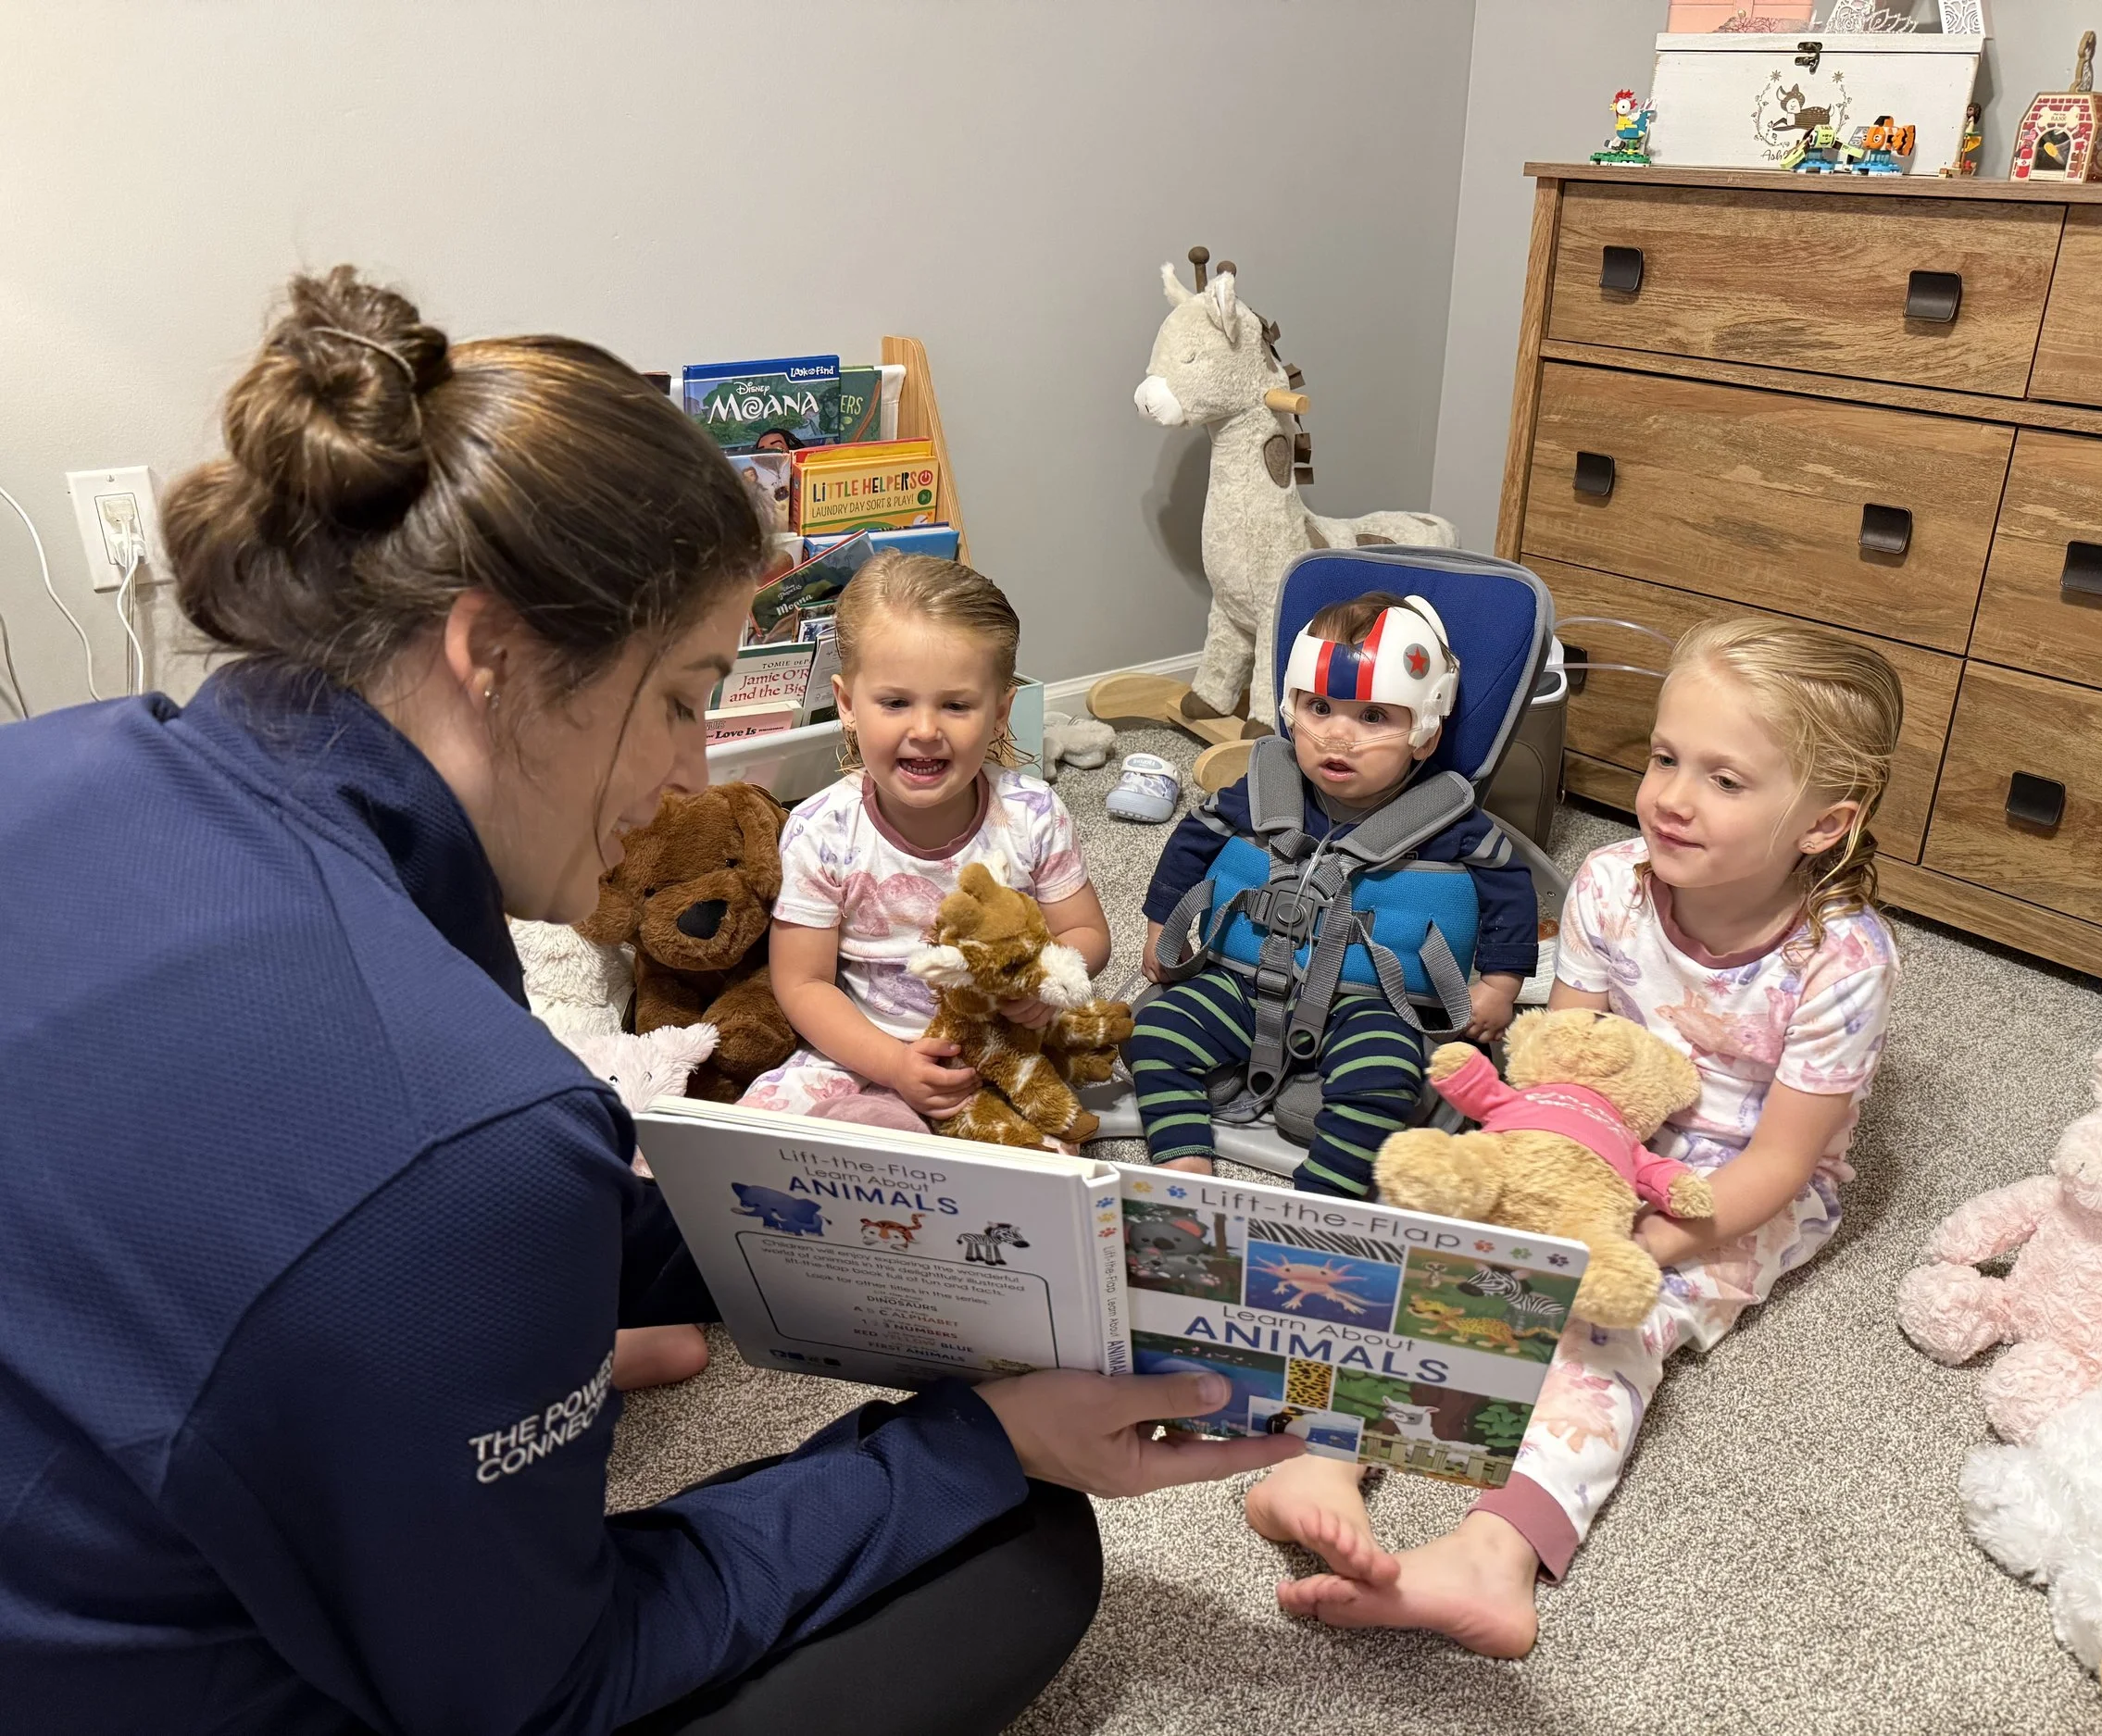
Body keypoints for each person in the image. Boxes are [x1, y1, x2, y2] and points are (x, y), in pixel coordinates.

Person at [0, 267, 1297, 1735]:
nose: (695, 776)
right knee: (1015, 1548)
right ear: (489, 654)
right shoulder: (461, 1144)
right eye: (683, 697)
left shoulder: (57, 758)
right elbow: (548, 1684)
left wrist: (929, 1254)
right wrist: (982, 1436)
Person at [1257, 617, 1905, 1656]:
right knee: (1448, 1249)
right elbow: (1558, 1054)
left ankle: (1495, 1553)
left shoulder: (1844, 963)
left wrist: (1648, 1246)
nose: (1672, 796)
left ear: (1823, 824)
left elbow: (1783, 1164)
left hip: (1725, 1187)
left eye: (1724, 780)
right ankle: (1330, 1450)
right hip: (1584, 1140)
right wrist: (1522, 1177)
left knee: (1605, 1328)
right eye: (1663, 758)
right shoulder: (1610, 882)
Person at [1127, 591, 1538, 1197]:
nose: (1338, 735)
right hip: (1244, 980)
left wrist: (1500, 984)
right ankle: (1183, 1162)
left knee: (1386, 1073)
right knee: (1153, 1029)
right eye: (1319, 707)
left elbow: (1511, 890)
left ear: (1423, 731)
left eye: (1373, 717)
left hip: (1376, 1004)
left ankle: (1326, 1194)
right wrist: (1163, 926)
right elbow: (1194, 839)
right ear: (1292, 710)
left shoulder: (1453, 824)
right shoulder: (1261, 788)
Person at [743, 553, 1110, 1124]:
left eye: (957, 705)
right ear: (846, 704)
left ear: (999, 714)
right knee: (759, 1145)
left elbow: (1086, 933)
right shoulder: (821, 830)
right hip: (862, 1048)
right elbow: (803, 981)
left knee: (1034, 1180)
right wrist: (891, 1065)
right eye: (894, 703)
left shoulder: (1034, 813)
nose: (924, 731)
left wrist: (1045, 985)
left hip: (1004, 1048)